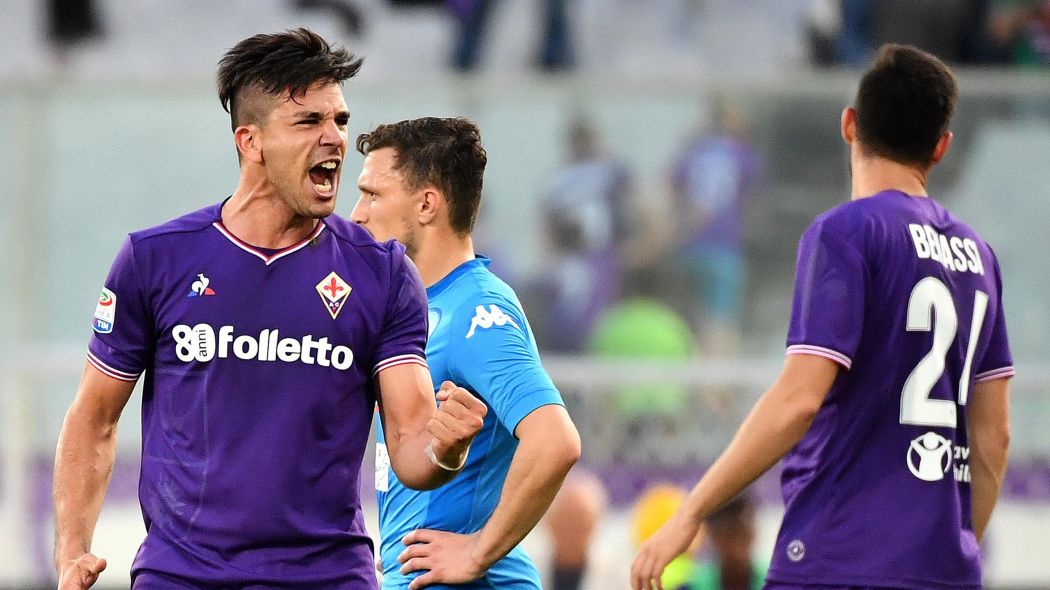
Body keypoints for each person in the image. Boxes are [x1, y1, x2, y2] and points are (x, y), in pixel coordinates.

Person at [52, 29, 488, 590]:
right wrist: (71, 550)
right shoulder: (155, 259)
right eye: (308, 121)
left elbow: (410, 446)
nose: (334, 138)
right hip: (182, 576)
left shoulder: (382, 273)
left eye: (340, 120)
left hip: (327, 576)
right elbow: (94, 419)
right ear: (251, 141)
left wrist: (447, 448)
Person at [632, 43, 1013, 590]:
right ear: (941, 147)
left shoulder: (847, 233)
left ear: (849, 124)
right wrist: (958, 547)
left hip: (838, 554)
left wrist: (691, 513)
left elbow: (799, 400)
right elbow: (994, 436)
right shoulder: (979, 257)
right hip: (943, 570)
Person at [351, 116, 581, 589]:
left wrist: (477, 551)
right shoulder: (415, 310)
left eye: (373, 195)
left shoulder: (476, 310)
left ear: (427, 204)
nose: (357, 213)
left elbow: (555, 441)